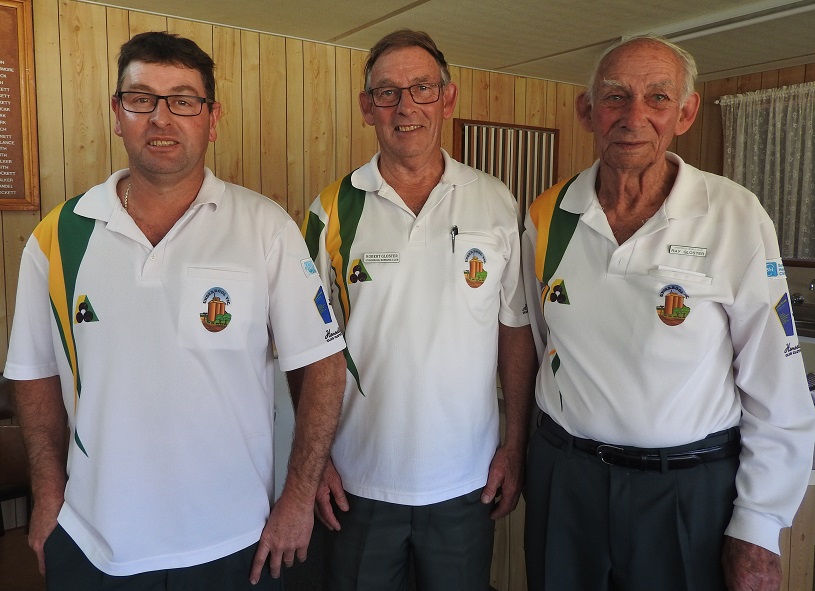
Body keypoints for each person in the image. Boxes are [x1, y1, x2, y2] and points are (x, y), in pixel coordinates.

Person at [3, 31, 347, 590]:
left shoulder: (266, 228)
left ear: (211, 119)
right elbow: (34, 375)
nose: (161, 118)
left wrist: (297, 498)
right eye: (142, 99)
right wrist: (48, 498)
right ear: (118, 114)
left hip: (237, 542)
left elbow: (324, 365)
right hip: (96, 545)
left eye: (183, 100)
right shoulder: (57, 238)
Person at [522, 34, 815, 591]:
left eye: (657, 98)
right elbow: (542, 342)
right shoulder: (548, 213)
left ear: (685, 112)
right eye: (615, 97)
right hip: (567, 481)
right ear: (588, 111)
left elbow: (777, 386)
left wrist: (759, 527)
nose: (634, 116)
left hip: (687, 490)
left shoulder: (735, 215)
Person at [299, 29, 537, 591]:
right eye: (387, 92)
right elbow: (306, 345)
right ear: (366, 108)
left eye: (422, 88)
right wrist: (314, 462)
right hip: (356, 483)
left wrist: (515, 444)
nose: (405, 106)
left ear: (447, 99)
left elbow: (516, 333)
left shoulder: (496, 201)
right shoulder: (330, 210)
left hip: (465, 483)